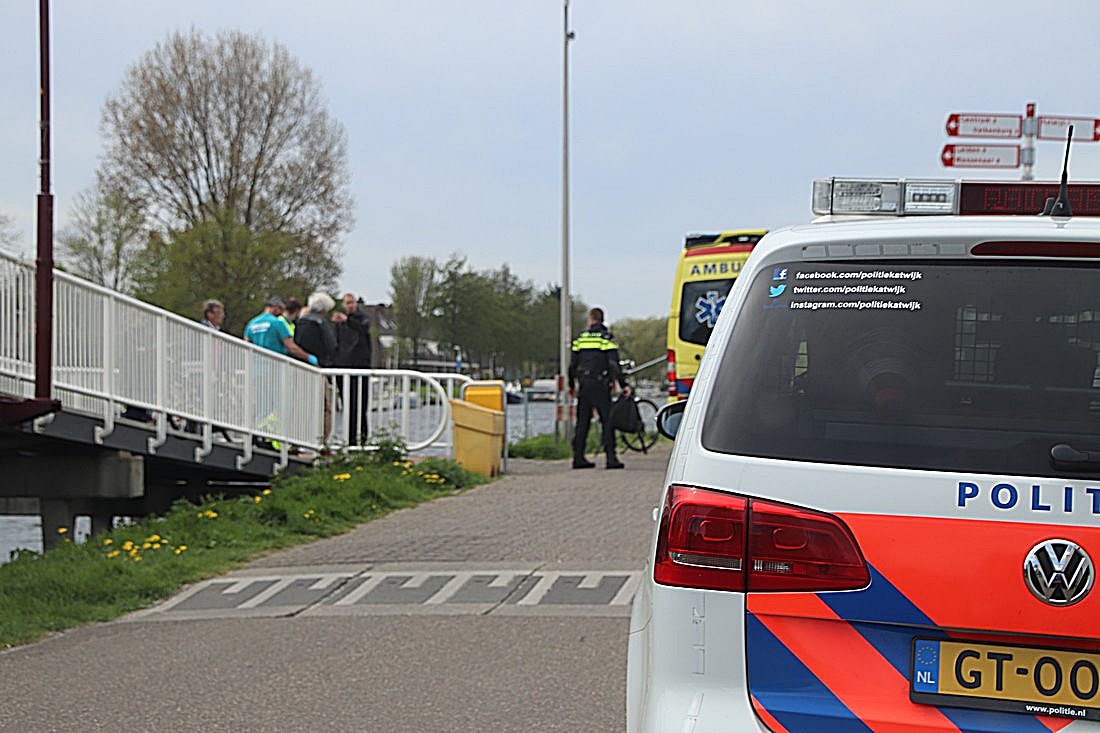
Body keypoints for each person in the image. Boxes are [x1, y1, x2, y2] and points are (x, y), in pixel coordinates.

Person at [569, 307, 631, 469]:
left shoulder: (580, 339)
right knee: (607, 421)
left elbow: (572, 365)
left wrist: (571, 384)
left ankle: (578, 457)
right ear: (602, 320)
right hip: (600, 384)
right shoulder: (606, 339)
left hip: (584, 384)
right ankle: (611, 458)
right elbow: (614, 365)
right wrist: (623, 385)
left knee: (582, 422)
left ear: (590, 319)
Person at [295, 292, 339, 439]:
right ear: (324, 309)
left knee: (300, 405)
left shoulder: (300, 321)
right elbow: (331, 345)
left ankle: (297, 440)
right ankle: (322, 441)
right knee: (324, 406)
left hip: (299, 367)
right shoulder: (320, 323)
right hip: (318, 368)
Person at [334, 292, 373, 444]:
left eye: (352, 302)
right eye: (347, 303)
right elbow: (336, 342)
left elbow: (363, 328)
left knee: (362, 406)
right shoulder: (340, 323)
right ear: (343, 305)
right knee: (348, 406)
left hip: (361, 366)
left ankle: (363, 440)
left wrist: (348, 320)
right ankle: (350, 440)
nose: (350, 305)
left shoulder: (363, 318)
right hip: (344, 367)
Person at [244, 296, 318, 365]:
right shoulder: (277, 323)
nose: (281, 314)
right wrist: (308, 357)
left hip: (255, 366)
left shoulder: (251, 324)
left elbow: (246, 346)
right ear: (276, 308)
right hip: (275, 366)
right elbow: (291, 347)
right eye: (281, 310)